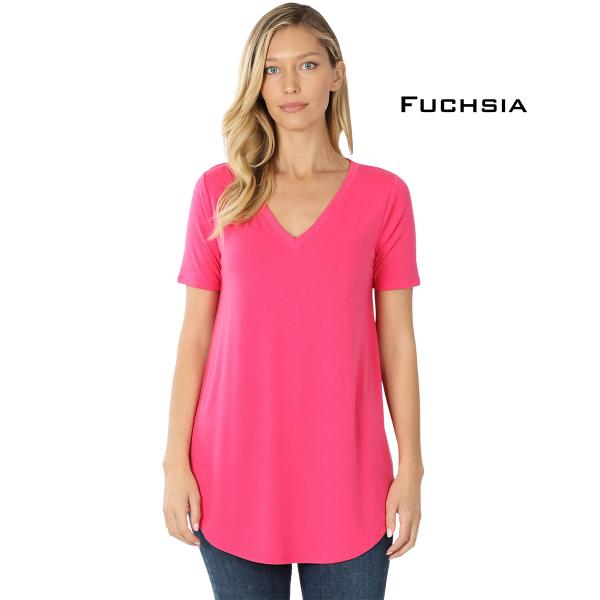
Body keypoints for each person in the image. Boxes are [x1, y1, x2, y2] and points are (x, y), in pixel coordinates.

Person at [163, 3, 424, 599]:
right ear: (256, 82)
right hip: (233, 475)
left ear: (336, 74)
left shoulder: (385, 195)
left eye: (306, 65)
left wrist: (411, 467)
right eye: (272, 68)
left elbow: (398, 342)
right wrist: (174, 462)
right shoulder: (219, 191)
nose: (289, 85)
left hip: (349, 478)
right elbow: (195, 337)